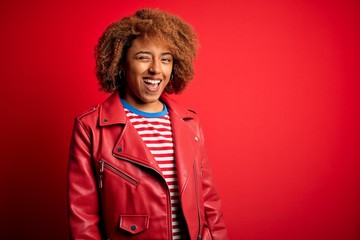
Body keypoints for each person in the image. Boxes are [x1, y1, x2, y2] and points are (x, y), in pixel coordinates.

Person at [68, 8, 228, 240]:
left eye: (166, 59)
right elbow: (83, 219)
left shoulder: (190, 123)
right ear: (121, 63)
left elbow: (209, 202)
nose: (156, 68)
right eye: (143, 57)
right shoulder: (90, 127)